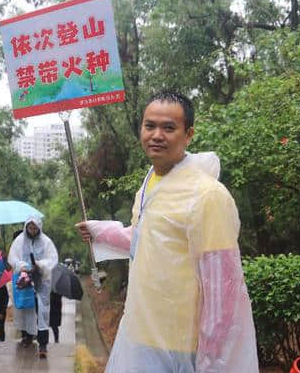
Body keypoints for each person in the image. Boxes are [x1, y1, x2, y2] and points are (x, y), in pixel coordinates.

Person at [76, 92, 258, 372]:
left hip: (181, 350)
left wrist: (210, 362)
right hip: (138, 335)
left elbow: (222, 291)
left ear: (189, 134)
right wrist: (99, 230)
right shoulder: (150, 184)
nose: (156, 135)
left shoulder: (207, 196)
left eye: (169, 128)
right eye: (150, 126)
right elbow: (143, 239)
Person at [8, 217, 58, 358]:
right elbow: (13, 258)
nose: (32, 231)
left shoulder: (46, 242)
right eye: (30, 228)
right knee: (26, 308)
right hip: (26, 279)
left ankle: (43, 344)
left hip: (42, 279)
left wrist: (40, 265)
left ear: (39, 228)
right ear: (26, 227)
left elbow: (52, 259)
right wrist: (23, 267)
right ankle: (27, 336)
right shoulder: (19, 241)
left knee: (42, 310)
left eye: (35, 228)